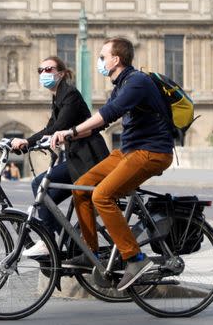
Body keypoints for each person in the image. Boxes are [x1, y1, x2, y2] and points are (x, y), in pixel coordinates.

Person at [50, 37, 174, 291]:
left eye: (103, 57)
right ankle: (90, 251)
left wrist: (71, 131)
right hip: (128, 151)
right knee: (80, 187)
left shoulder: (137, 82)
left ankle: (136, 259)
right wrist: (57, 135)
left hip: (151, 152)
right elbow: (101, 124)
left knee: (101, 195)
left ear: (116, 60)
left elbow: (108, 114)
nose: (100, 62)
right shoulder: (120, 85)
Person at [11, 56, 109, 256]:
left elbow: (58, 127)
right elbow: (50, 128)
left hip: (88, 158)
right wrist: (27, 143)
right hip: (77, 158)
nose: (44, 74)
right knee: (44, 194)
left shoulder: (70, 94)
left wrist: (29, 142)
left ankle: (52, 240)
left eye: (49, 69)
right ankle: (65, 238)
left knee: (40, 186)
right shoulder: (58, 96)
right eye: (40, 70)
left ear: (61, 73)